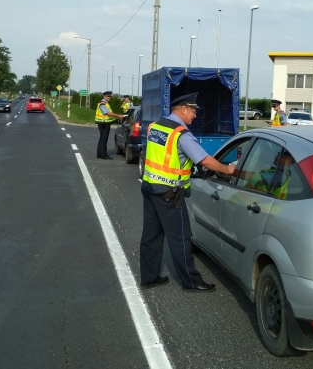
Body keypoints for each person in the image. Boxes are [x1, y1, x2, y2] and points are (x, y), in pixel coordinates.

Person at [140, 93, 236, 293]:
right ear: (183, 109)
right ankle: (191, 281)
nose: (195, 116)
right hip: (169, 194)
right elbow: (205, 160)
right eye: (193, 111)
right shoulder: (181, 134)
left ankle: (149, 277)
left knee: (151, 237)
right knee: (181, 239)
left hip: (150, 188)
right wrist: (227, 170)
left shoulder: (156, 126)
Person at [95, 91, 124, 160]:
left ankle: (99, 154)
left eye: (110, 96)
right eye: (108, 96)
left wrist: (114, 120)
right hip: (104, 124)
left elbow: (108, 115)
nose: (109, 97)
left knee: (102, 138)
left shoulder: (105, 103)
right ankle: (104, 155)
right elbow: (107, 113)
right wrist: (118, 116)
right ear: (104, 96)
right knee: (104, 139)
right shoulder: (103, 103)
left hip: (103, 123)